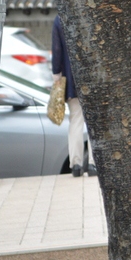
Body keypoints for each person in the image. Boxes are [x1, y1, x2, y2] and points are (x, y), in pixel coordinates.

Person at [52, 15, 94, 177]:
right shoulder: (88, 14)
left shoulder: (60, 19)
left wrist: (56, 76)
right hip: (91, 80)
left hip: (71, 80)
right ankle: (92, 164)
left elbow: (56, 50)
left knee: (75, 122)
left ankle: (75, 165)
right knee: (93, 123)